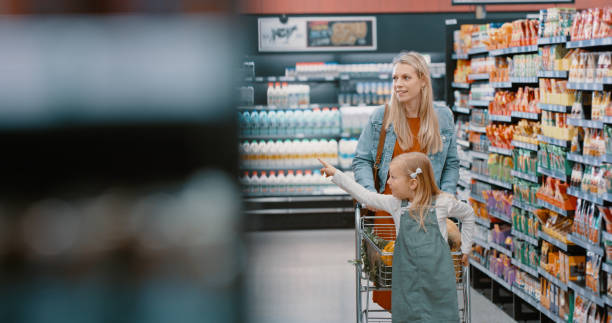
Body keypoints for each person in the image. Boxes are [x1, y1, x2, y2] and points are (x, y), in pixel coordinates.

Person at [351, 51, 459, 310]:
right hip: (390, 216)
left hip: (431, 216)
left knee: (431, 290)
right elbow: (362, 160)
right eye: (395, 78)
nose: (398, 84)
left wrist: (447, 197)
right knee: (394, 288)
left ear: (423, 80)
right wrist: (370, 196)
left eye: (405, 77)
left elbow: (451, 164)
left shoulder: (443, 117)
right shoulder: (382, 117)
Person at [319, 152, 474, 322]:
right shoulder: (396, 204)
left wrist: (466, 249)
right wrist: (336, 174)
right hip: (407, 281)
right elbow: (365, 196)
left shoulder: (442, 203)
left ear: (413, 183)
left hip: (439, 282)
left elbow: (468, 214)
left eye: (393, 177)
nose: (388, 182)